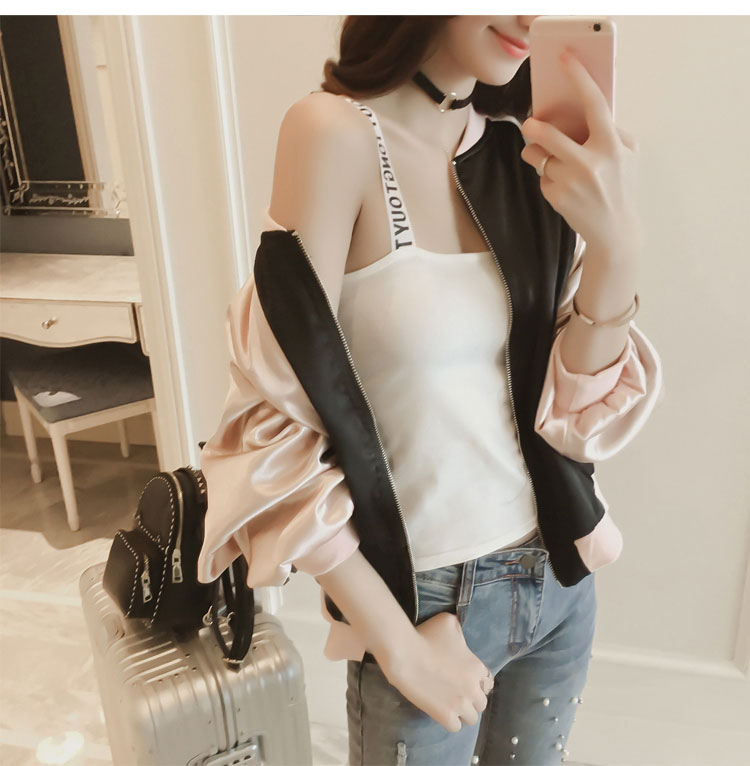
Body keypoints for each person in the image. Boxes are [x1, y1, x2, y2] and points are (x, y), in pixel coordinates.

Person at [196, 15, 663, 766]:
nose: (526, 16)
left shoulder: (522, 155)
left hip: (558, 581)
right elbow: (270, 418)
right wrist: (399, 644)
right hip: (424, 603)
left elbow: (573, 419)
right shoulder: (334, 135)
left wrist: (618, 248)